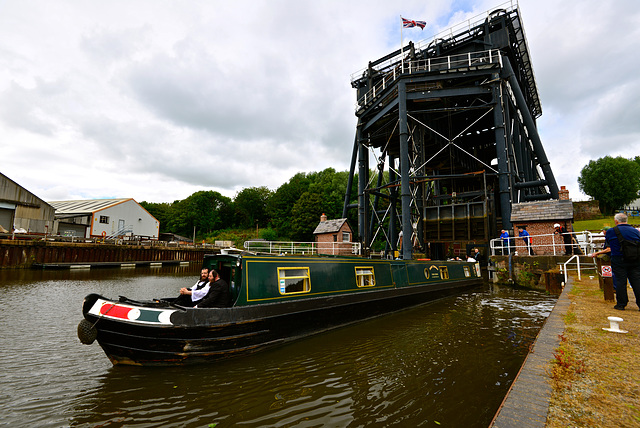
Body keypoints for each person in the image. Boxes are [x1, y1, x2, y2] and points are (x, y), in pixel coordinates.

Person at [589, 213, 640, 310]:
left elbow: (608, 246)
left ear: (616, 221)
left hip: (618, 259)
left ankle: (621, 304)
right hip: (635, 259)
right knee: (637, 281)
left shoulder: (611, 231)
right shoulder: (635, 231)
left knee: (621, 281)